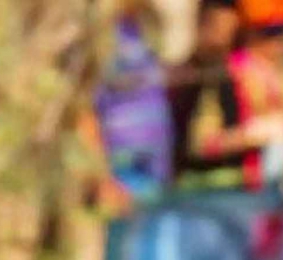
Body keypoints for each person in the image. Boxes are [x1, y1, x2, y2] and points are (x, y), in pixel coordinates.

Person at [89, 0, 173, 208]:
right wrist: (100, 170)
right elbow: (84, 106)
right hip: (119, 159)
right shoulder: (98, 34)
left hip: (156, 158)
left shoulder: (151, 26)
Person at [168, 0, 247, 189]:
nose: (221, 39)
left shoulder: (239, 73)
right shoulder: (187, 76)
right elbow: (201, 144)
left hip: (233, 185)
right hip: (194, 185)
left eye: (228, 32)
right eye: (216, 28)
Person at [229, 0, 283, 189]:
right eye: (271, 33)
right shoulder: (240, 65)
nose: (280, 41)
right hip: (250, 160)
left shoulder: (277, 69)